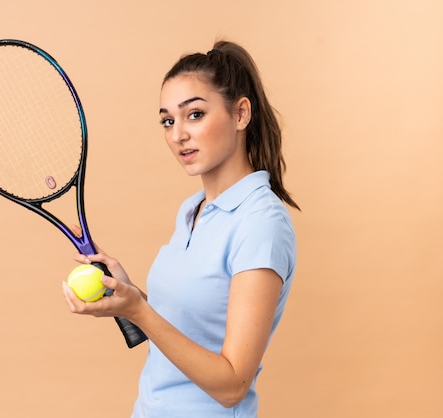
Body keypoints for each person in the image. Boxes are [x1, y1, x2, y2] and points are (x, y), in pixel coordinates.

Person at [62, 40, 300, 417]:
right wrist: (127, 295)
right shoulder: (193, 210)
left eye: (194, 115)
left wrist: (139, 311)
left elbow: (232, 385)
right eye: (168, 121)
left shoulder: (261, 224)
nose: (177, 135)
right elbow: (187, 325)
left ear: (240, 114)